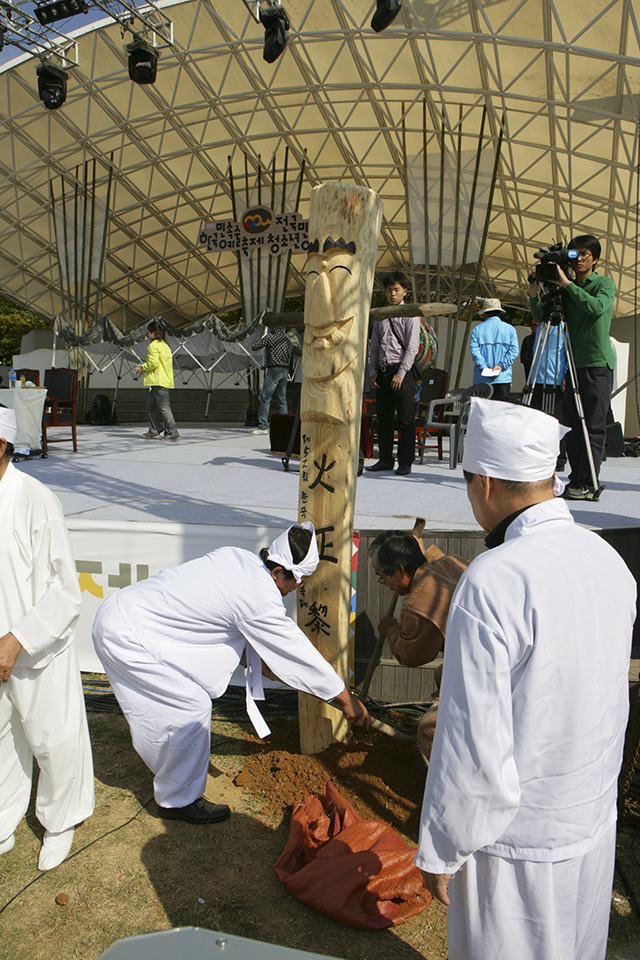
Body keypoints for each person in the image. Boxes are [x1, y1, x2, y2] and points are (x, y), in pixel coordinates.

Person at [415, 398, 637, 960]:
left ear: (485, 483)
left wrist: (443, 848)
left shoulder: (494, 580)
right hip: (588, 819)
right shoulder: (606, 558)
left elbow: (472, 743)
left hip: (515, 843)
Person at [92, 522, 369, 824]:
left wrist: (264, 665)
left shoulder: (238, 559)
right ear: (278, 573)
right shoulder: (259, 598)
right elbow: (298, 655)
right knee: (190, 707)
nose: (298, 587)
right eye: (298, 580)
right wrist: (345, 700)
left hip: (129, 617)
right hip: (130, 635)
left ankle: (175, 775)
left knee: (177, 707)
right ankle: (178, 801)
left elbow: (224, 623)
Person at [0, 409, 94, 871]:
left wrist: (17, 638)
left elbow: (65, 591)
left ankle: (61, 822)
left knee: (51, 738)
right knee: (0, 738)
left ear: (1, 445)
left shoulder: (37, 501)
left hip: (34, 645)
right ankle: (2, 819)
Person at [528, 234, 616, 500]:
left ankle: (589, 481)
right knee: (573, 426)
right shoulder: (565, 290)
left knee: (593, 426)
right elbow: (541, 317)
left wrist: (566, 284)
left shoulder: (604, 284)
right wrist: (534, 292)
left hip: (597, 364)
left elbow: (595, 307)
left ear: (595, 259)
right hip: (574, 366)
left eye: (584, 254)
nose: (578, 259)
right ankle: (575, 479)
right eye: (574, 254)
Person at [370, 531, 468, 764]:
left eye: (383, 578)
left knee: (429, 731)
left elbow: (410, 654)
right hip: (491, 650)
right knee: (443, 673)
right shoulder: (449, 562)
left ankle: (453, 793)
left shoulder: (420, 605)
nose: (386, 585)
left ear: (401, 571)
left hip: (487, 668)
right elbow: (433, 562)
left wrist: (392, 630)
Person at [367, 270, 420, 476]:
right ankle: (385, 459)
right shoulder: (380, 316)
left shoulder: (410, 314)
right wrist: (372, 372)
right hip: (383, 371)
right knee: (384, 418)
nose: (392, 294)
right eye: (389, 290)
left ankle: (405, 462)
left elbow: (412, 347)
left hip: (402, 371)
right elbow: (374, 346)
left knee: (406, 419)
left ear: (404, 291)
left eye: (396, 290)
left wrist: (401, 373)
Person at [135, 320, 179, 441]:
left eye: (148, 332)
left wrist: (142, 368)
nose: (147, 335)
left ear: (153, 333)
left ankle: (172, 431)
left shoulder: (154, 345)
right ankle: (155, 429)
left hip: (157, 380)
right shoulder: (165, 345)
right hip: (163, 380)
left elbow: (153, 363)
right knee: (150, 405)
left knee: (164, 408)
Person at [469, 298, 519, 400]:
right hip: (502, 379)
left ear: (485, 313)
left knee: (482, 412)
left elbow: (475, 352)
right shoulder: (510, 329)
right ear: (499, 312)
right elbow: (514, 351)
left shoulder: (477, 330)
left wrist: (485, 368)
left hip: (481, 379)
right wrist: (501, 366)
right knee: (500, 412)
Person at [250, 326, 293, 435]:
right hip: (285, 370)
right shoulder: (287, 340)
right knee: (282, 399)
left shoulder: (270, 337)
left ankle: (263, 426)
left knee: (265, 398)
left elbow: (255, 347)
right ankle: (285, 425)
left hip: (274, 369)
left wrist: (262, 338)